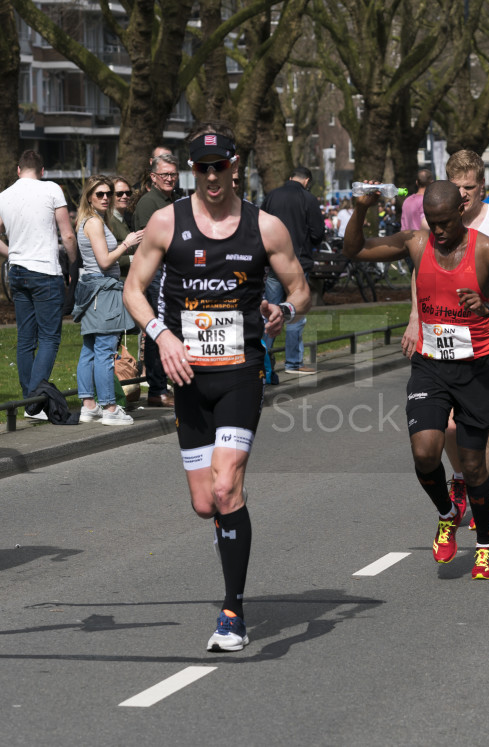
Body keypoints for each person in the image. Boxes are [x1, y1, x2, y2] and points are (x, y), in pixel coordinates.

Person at [123, 122, 310, 652]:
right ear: (192, 170)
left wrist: (285, 311)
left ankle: (233, 611)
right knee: (205, 504)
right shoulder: (165, 222)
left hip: (240, 370)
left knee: (228, 486)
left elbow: (300, 289)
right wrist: (162, 337)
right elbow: (133, 290)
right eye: (200, 168)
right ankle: (227, 532)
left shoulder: (265, 228)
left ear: (234, 166)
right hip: (186, 374)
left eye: (219, 166)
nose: (210, 176)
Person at [346, 179, 489, 579]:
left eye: (445, 222)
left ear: (460, 213)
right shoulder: (416, 243)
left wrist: (487, 307)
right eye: (433, 222)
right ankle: (447, 513)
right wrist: (360, 210)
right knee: (424, 453)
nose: (440, 230)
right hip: (431, 365)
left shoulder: (485, 249)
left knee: (473, 465)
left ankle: (485, 545)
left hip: (475, 367)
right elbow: (355, 250)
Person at [0, 150, 78, 405]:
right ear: (42, 171)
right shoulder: (51, 190)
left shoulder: (3, 196)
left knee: (26, 338)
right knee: (49, 337)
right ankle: (36, 399)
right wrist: (73, 264)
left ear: (18, 170)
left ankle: (28, 400)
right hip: (46, 271)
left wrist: (14, 253)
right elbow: (67, 235)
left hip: (17, 271)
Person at [71, 174, 143, 425]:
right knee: (104, 350)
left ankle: (89, 405)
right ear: (89, 197)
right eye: (99, 194)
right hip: (103, 290)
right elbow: (104, 261)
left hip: (94, 289)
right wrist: (127, 243)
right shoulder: (93, 222)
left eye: (108, 194)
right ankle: (110, 409)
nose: (105, 198)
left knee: (90, 349)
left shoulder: (90, 220)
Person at [261, 166, 325, 375]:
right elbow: (317, 233)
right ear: (307, 180)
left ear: (290, 177)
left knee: (269, 312)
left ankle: (261, 360)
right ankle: (293, 362)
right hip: (297, 263)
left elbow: (259, 225)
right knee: (295, 312)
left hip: (272, 263)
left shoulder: (272, 196)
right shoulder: (308, 199)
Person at [133, 153, 182, 408]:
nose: (170, 179)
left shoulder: (172, 200)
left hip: (173, 273)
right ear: (153, 177)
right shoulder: (148, 203)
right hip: (155, 275)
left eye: (174, 174)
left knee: (173, 328)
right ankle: (157, 389)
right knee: (156, 330)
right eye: (165, 174)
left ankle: (169, 383)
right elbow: (147, 243)